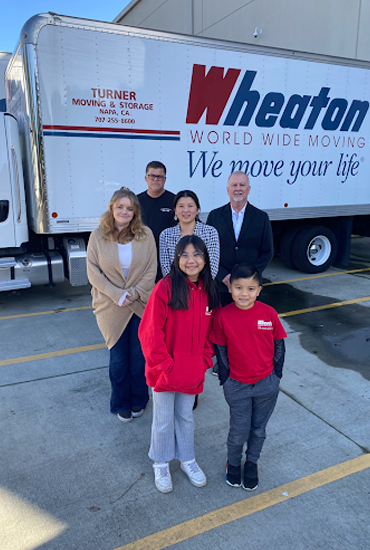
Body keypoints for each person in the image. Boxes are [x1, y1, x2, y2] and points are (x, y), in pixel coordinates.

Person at [138, 235, 219, 493]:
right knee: (162, 420)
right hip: (165, 371)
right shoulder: (166, 287)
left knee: (186, 417)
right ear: (176, 259)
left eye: (196, 254)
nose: (191, 260)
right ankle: (161, 463)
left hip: (192, 370)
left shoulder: (209, 290)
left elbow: (210, 332)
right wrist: (164, 365)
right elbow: (150, 331)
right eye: (184, 255)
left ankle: (187, 459)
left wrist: (204, 360)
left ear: (205, 259)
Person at [210, 263, 287, 491]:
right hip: (237, 386)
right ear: (230, 288)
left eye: (251, 289)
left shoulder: (268, 313)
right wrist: (226, 379)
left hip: (266, 384)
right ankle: (233, 463)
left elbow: (279, 344)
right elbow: (220, 349)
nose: (244, 294)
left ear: (259, 290)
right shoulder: (223, 316)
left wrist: (276, 375)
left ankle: (252, 463)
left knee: (258, 429)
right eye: (239, 287)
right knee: (239, 430)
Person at [87, 187, 157, 423]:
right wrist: (117, 294)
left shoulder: (145, 235)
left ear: (135, 212)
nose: (125, 212)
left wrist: (135, 293)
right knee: (118, 359)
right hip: (110, 306)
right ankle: (120, 403)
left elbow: (151, 270)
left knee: (139, 357)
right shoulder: (98, 236)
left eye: (129, 208)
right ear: (112, 209)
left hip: (139, 304)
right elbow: (93, 273)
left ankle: (138, 400)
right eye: (120, 207)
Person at [206, 171, 273, 307]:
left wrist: (249, 276)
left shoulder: (261, 217)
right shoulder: (215, 216)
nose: (238, 188)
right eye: (234, 185)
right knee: (221, 324)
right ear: (228, 190)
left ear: (248, 189)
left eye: (242, 185)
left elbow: (267, 251)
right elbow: (207, 251)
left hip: (249, 288)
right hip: (222, 286)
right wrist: (222, 275)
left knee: (247, 325)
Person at [159, 190, 220, 279]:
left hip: (203, 288)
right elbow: (166, 269)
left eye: (190, 206)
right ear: (175, 210)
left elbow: (212, 267)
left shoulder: (210, 233)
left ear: (197, 210)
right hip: (175, 288)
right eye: (181, 206)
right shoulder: (166, 235)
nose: (186, 210)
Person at [137, 161, 175, 281]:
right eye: (152, 176)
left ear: (164, 179)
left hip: (167, 259)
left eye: (159, 177)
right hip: (143, 259)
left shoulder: (174, 201)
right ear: (146, 178)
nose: (155, 179)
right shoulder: (136, 202)